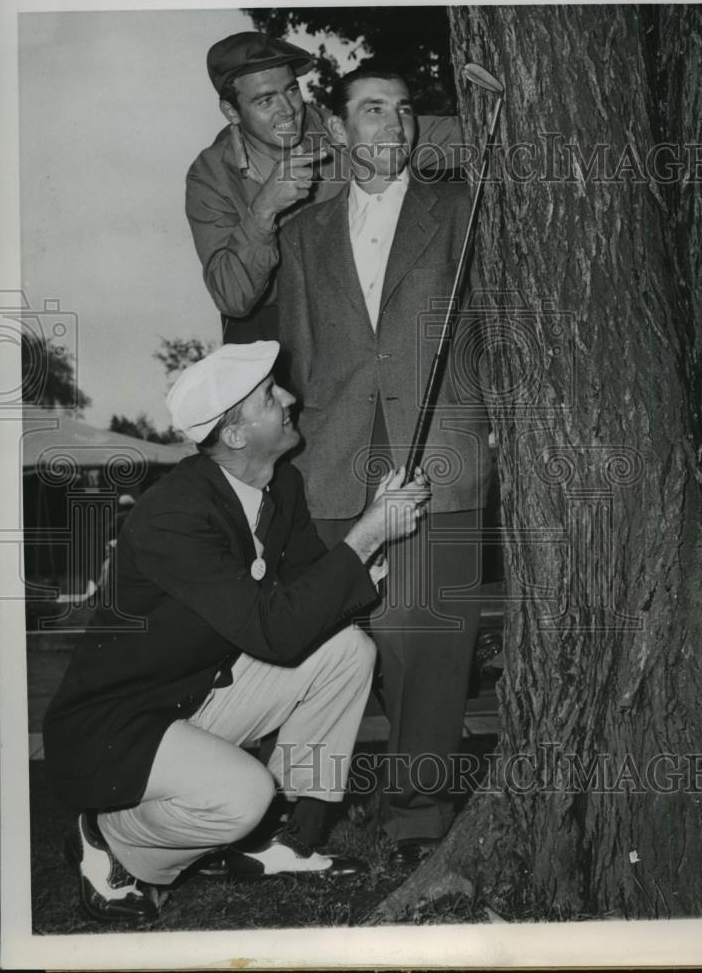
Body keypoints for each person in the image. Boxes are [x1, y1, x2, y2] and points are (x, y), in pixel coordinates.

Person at [43, 341, 430, 925]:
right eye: (272, 397)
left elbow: (307, 602)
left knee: (349, 650)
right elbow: (275, 632)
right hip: (120, 724)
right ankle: (110, 840)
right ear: (236, 435)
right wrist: (369, 533)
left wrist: (367, 548)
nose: (291, 399)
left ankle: (288, 839)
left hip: (197, 692)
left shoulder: (283, 486)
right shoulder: (173, 516)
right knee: (243, 795)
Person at [274, 67, 493, 861]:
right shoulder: (301, 236)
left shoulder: (462, 212)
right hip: (334, 457)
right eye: (372, 111)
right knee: (332, 636)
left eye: (403, 112)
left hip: (439, 446)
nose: (393, 126)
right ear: (338, 130)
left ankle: (417, 814)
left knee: (428, 635)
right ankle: (300, 812)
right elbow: (300, 359)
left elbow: (492, 331)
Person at [185, 31, 462, 343]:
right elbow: (232, 298)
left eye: (290, 91)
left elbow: (458, 137)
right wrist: (263, 211)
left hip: (345, 312)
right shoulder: (209, 176)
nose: (287, 110)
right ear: (231, 111)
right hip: (267, 329)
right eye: (265, 100)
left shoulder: (339, 132)